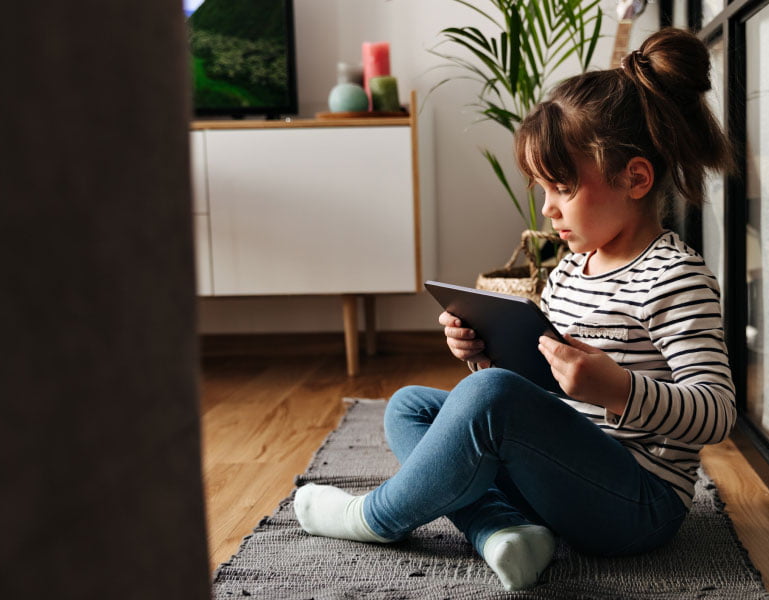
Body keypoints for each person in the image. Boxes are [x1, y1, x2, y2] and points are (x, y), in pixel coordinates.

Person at [292, 27, 737, 591]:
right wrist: (483, 354)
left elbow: (718, 412)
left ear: (636, 178)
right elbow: (528, 389)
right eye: (543, 188)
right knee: (410, 407)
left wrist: (618, 389)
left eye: (562, 187)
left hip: (636, 506)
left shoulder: (676, 277)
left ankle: (375, 518)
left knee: (485, 400)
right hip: (560, 481)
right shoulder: (573, 268)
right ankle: (503, 532)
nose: (548, 208)